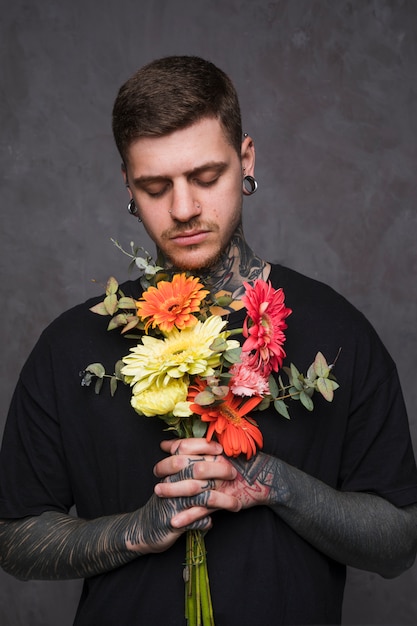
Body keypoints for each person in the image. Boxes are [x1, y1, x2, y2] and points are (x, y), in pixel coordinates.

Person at [0, 55, 416, 626]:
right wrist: (136, 532)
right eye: (154, 186)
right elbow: (14, 537)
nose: (184, 209)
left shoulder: (340, 334)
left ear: (245, 160)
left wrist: (273, 483)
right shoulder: (70, 346)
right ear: (127, 184)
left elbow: (398, 543)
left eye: (205, 177)